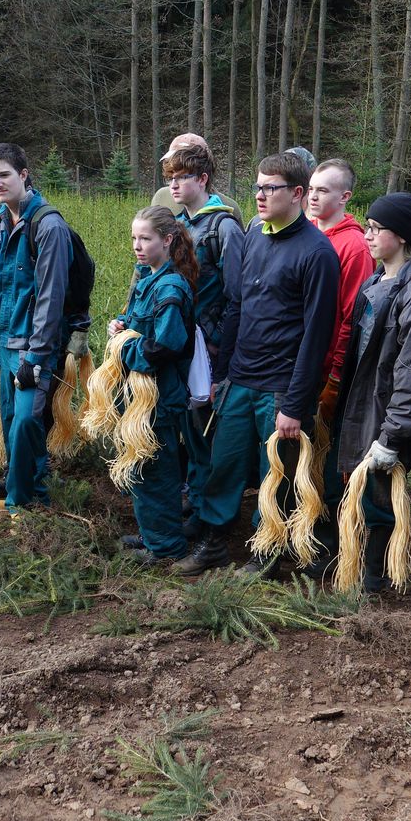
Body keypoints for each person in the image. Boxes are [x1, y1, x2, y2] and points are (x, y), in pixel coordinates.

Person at [174, 150, 340, 577]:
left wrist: (295, 404)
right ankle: (213, 542)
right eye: (258, 187)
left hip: (280, 388)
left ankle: (266, 553)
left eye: (271, 188)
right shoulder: (254, 237)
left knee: (275, 476)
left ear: (298, 193)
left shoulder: (317, 253)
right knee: (224, 465)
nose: (260, 195)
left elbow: (317, 336)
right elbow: (236, 309)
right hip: (241, 379)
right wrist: (223, 375)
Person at [333, 193, 411, 590]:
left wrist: (393, 435)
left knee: (381, 499)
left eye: (376, 228)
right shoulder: (376, 282)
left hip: (388, 416)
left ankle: (376, 575)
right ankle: (354, 564)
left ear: (401, 237)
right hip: (366, 405)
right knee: (362, 492)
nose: (367, 235)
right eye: (366, 226)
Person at [0, 143, 74, 515]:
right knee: (12, 419)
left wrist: (36, 355)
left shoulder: (48, 226)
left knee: (27, 423)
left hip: (32, 346)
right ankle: (33, 494)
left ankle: (20, 504)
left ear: (24, 175)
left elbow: (51, 296)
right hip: (3, 341)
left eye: (4, 175)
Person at [160, 143, 244, 538]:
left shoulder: (224, 226)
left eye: (181, 178)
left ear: (203, 179)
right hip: (182, 346)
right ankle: (189, 501)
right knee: (187, 431)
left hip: (210, 350)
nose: (174, 185)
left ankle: (205, 516)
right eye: (170, 179)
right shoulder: (178, 225)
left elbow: (236, 296)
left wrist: (221, 354)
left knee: (205, 432)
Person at [110, 206, 201, 563]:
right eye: (134, 238)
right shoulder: (148, 277)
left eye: (145, 238)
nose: (137, 244)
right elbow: (138, 322)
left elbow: (166, 344)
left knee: (156, 470)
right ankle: (152, 536)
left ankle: (166, 548)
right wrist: (120, 325)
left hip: (159, 396)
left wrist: (125, 347)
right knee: (140, 464)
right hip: (139, 396)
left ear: (167, 240)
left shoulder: (171, 286)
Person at [307, 158, 377, 426]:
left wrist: (336, 375)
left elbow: (354, 316)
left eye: (323, 191)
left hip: (327, 371)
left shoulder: (355, 247)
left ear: (344, 196)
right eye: (311, 188)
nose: (313, 196)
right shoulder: (304, 232)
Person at [152, 132, 245, 224]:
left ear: (202, 177)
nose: (174, 185)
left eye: (183, 176)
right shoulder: (161, 198)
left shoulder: (228, 207)